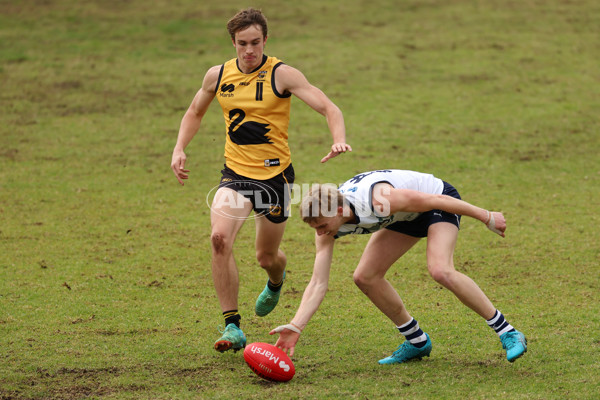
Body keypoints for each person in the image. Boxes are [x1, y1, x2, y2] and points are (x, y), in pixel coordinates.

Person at [170, 8, 352, 354]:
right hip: (235, 174)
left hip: (275, 177)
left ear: (265, 40)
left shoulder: (282, 75)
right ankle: (232, 326)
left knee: (267, 257)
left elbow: (329, 107)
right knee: (219, 239)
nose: (249, 50)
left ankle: (276, 280)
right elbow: (194, 112)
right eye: (242, 44)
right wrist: (179, 148)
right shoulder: (218, 75)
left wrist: (338, 138)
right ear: (233, 43)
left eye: (255, 42)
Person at [270, 169, 527, 364]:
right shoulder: (326, 226)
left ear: (339, 210)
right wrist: (296, 326)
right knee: (365, 276)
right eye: (315, 227)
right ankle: (417, 341)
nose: (320, 232)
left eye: (322, 225)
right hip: (401, 218)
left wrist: (486, 216)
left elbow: (434, 199)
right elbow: (318, 282)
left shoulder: (380, 200)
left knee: (440, 269)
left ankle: (508, 332)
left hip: (436, 201)